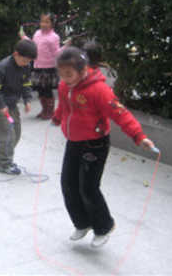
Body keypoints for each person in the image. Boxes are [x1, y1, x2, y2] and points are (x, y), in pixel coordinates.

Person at [51, 46, 156, 249]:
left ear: (83, 71)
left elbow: (121, 113)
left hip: (94, 143)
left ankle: (104, 226)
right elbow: (64, 106)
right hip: (73, 142)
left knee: (88, 187)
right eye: (61, 74)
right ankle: (82, 223)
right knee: (68, 184)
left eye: (69, 74)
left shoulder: (99, 90)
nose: (65, 78)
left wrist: (138, 135)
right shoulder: (65, 86)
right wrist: (57, 118)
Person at [0, 39, 37, 175]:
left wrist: (27, 99)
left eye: (29, 62)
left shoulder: (25, 67)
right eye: (24, 61)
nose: (26, 64)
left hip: (12, 106)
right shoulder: (2, 67)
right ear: (16, 54)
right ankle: (4, 163)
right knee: (8, 134)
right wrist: (0, 105)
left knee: (16, 133)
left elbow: (26, 83)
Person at [20, 13, 68, 120]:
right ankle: (44, 110)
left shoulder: (54, 37)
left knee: (47, 90)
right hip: (37, 66)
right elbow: (32, 45)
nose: (44, 24)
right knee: (40, 90)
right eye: (42, 22)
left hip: (48, 68)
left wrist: (66, 46)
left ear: (52, 24)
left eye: (47, 22)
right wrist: (23, 37)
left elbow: (56, 53)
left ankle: (50, 111)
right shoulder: (37, 33)